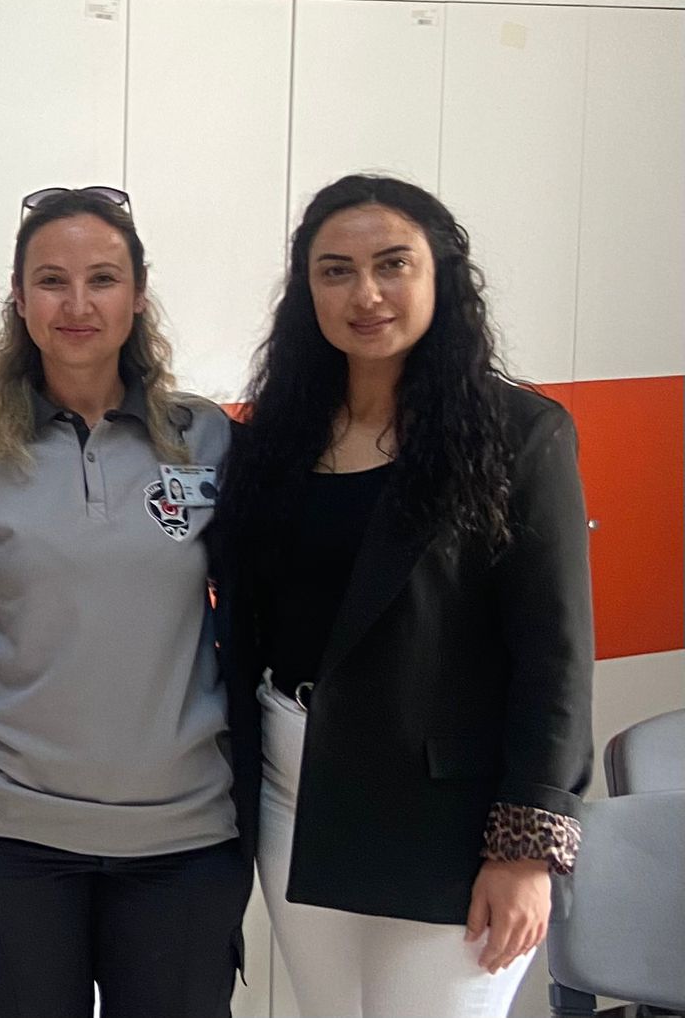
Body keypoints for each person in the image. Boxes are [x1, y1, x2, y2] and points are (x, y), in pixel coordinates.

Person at [217, 174, 593, 1018]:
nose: (366, 294)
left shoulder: (519, 435)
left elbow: (556, 659)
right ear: (306, 288)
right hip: (293, 793)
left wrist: (526, 850)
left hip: (447, 820)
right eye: (336, 270)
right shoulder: (277, 437)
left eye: (393, 264)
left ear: (440, 275)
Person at [0, 187, 251, 1018]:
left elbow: (261, 608)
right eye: (52, 281)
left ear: (138, 294)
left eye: (103, 279)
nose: (78, 304)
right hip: (10, 835)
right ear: (19, 300)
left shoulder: (205, 439)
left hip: (185, 836)